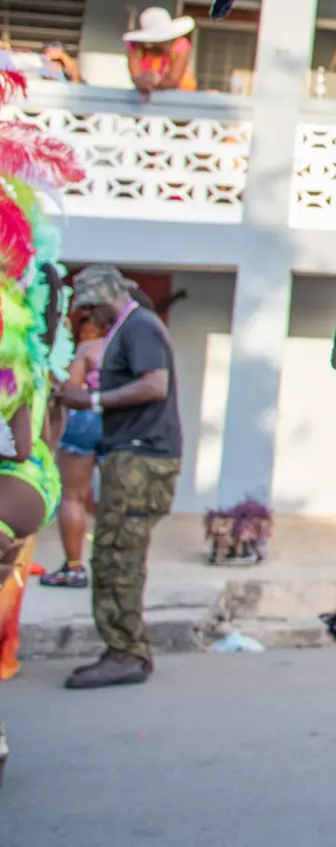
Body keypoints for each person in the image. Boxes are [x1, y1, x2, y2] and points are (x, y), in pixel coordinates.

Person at [55, 264, 183, 689]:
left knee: (119, 556)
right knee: (111, 554)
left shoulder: (139, 326)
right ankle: (123, 648)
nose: (91, 319)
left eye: (91, 309)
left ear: (106, 299)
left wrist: (90, 400)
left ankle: (125, 653)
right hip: (131, 457)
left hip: (141, 460)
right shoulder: (131, 328)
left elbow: (155, 385)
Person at [41, 335, 104, 590]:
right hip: (123, 423)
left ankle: (74, 567)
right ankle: (112, 569)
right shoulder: (139, 345)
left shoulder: (91, 348)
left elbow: (72, 386)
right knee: (118, 501)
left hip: (85, 420)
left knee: (72, 497)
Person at [121, 6, 196, 95]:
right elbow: (136, 76)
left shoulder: (180, 45)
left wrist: (155, 81)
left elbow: (174, 80)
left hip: (180, 98)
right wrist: (143, 82)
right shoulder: (135, 47)